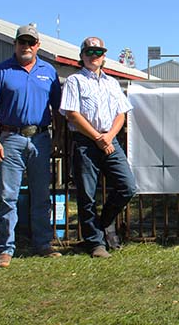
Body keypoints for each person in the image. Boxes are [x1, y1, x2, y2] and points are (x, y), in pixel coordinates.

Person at [0, 24, 62, 267]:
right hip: (11, 138)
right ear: (15, 44)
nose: (26, 46)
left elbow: (58, 108)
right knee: (8, 196)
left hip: (40, 138)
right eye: (22, 42)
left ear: (38, 46)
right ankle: (5, 248)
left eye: (31, 42)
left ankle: (43, 243)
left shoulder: (48, 71)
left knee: (42, 194)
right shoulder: (1, 71)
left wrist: (56, 138)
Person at [60, 37, 137, 258]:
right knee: (87, 194)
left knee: (127, 186)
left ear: (104, 56)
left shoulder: (112, 83)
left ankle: (104, 223)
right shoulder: (74, 81)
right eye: (89, 52)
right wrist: (96, 137)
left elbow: (121, 113)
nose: (94, 56)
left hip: (110, 141)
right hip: (86, 141)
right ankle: (96, 243)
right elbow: (72, 113)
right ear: (82, 56)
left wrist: (109, 136)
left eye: (99, 52)